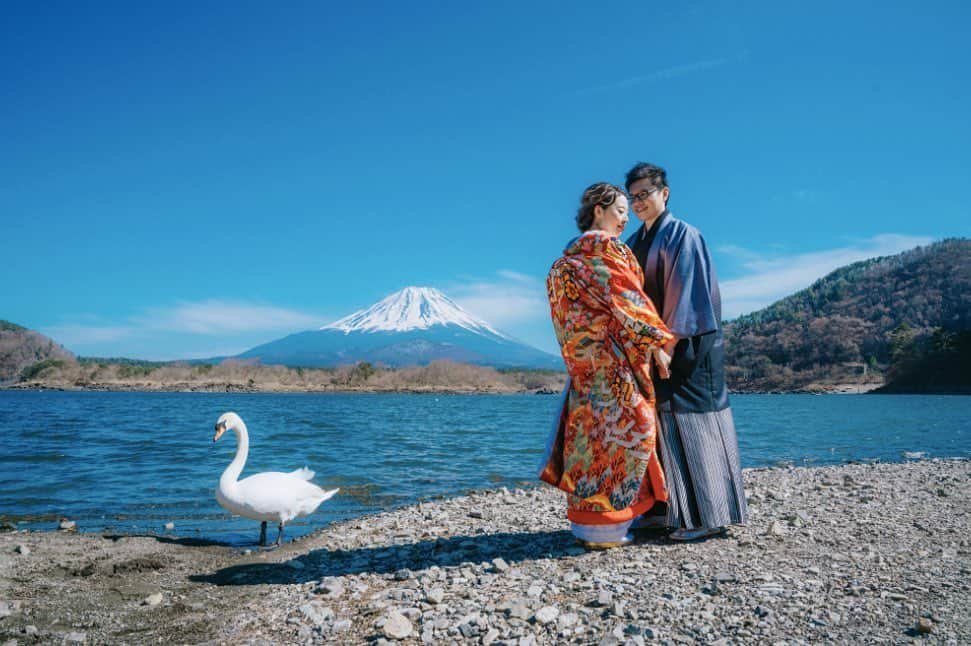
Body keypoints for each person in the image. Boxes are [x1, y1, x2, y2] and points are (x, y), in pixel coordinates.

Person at [540, 182, 675, 548]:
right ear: (599, 210)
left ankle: (586, 526)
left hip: (583, 374)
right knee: (628, 436)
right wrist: (657, 342)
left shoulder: (561, 266)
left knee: (586, 443)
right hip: (614, 369)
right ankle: (612, 527)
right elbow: (628, 300)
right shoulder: (606, 256)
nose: (624, 221)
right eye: (619, 212)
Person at [624, 162, 748, 541]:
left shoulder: (683, 235)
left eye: (645, 194)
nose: (638, 203)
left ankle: (708, 516)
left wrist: (667, 343)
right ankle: (665, 509)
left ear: (665, 193)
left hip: (691, 342)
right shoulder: (634, 243)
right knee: (661, 425)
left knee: (697, 422)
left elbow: (685, 294)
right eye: (633, 197)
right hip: (655, 347)